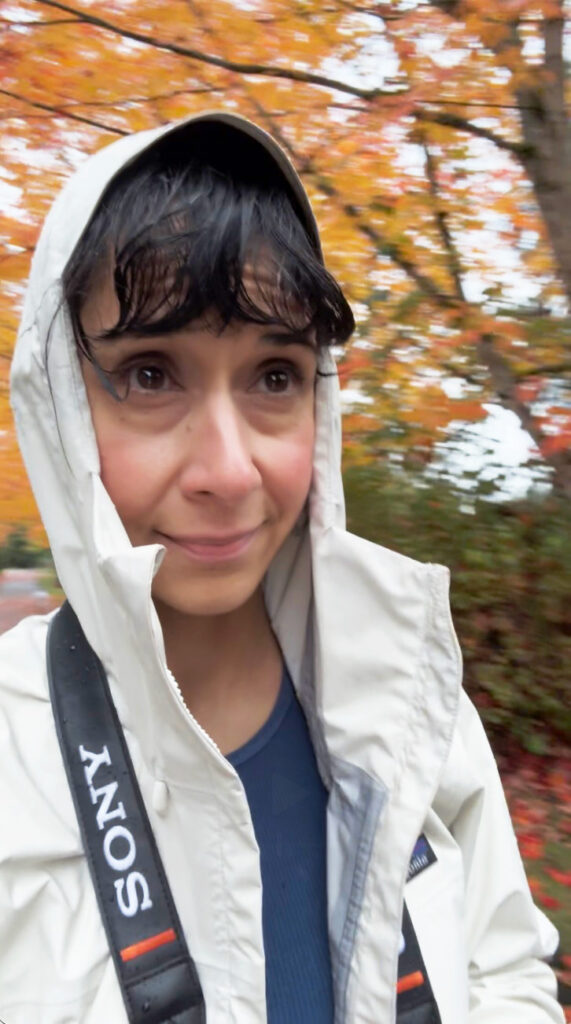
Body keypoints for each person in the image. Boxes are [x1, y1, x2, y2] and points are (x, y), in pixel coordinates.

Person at [1, 111, 564, 1024]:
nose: (229, 470)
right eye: (150, 374)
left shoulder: (410, 702)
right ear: (62, 406)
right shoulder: (12, 755)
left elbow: (506, 974)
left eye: (274, 376)